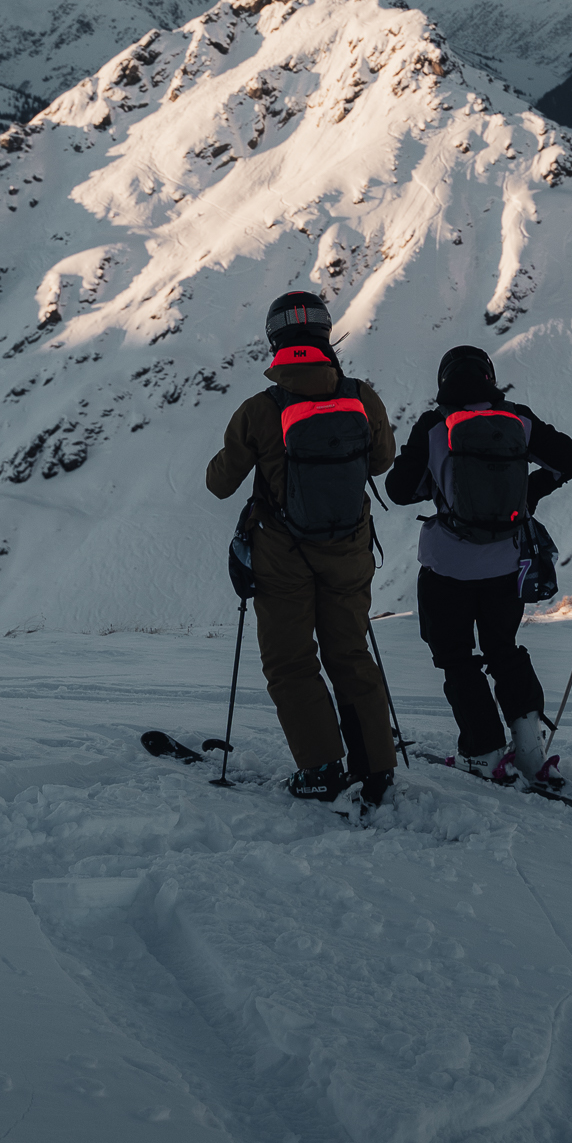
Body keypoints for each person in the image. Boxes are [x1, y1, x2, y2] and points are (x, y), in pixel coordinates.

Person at [205, 291, 398, 806]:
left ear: (275, 342)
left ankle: (321, 769)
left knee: (291, 662)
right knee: (350, 654)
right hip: (350, 550)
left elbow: (220, 484)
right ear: (325, 333)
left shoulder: (260, 410)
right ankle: (377, 767)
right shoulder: (362, 397)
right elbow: (382, 462)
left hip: (282, 556)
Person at [385, 345, 572, 783]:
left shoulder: (434, 426)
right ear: (490, 378)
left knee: (457, 658)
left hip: (446, 567)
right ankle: (530, 750)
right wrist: (529, 492)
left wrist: (438, 484)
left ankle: (484, 752)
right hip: (507, 565)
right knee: (504, 650)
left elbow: (399, 489)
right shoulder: (518, 419)